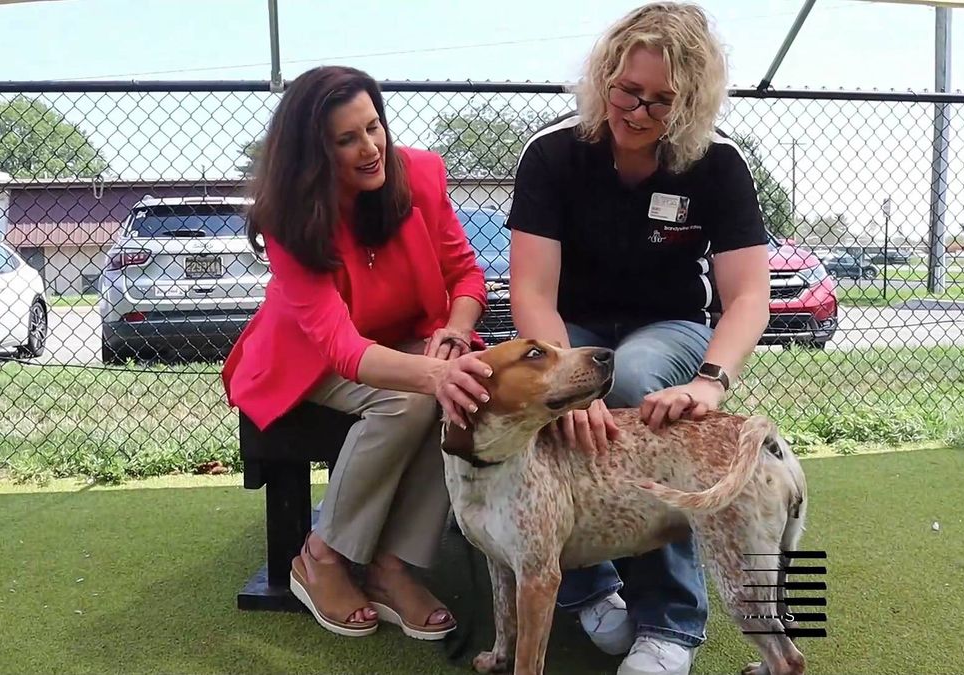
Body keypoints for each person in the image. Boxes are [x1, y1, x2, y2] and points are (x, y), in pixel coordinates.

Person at [506, 3, 772, 675]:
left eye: (662, 101)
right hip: (572, 330)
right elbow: (533, 292)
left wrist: (710, 380)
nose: (640, 112)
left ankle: (669, 623)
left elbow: (748, 296)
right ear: (606, 76)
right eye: (629, 91)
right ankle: (590, 589)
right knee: (539, 416)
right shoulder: (553, 153)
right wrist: (561, 387)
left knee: (635, 382)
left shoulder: (716, 162)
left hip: (671, 326)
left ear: (689, 104)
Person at [222, 65, 493, 641]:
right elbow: (341, 347)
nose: (371, 148)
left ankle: (390, 565)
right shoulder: (288, 217)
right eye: (347, 139)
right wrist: (432, 373)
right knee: (410, 400)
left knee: (452, 393)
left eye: (375, 127)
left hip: (405, 338)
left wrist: (453, 331)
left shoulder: (420, 174)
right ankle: (319, 556)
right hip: (304, 358)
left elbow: (467, 275)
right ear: (313, 151)